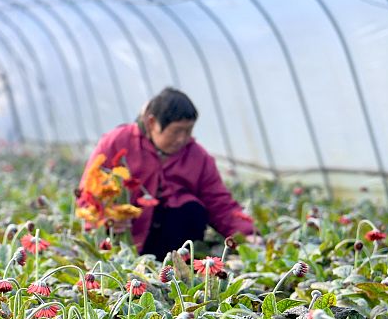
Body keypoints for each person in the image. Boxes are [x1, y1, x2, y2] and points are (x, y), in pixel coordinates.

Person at [77, 87, 256, 259]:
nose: (183, 139)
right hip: (122, 243)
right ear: (152, 122)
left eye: (188, 130)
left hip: (175, 248)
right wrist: (103, 220)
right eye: (177, 131)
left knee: (191, 209)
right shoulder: (118, 141)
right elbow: (89, 193)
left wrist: (248, 236)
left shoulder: (197, 156)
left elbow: (220, 204)